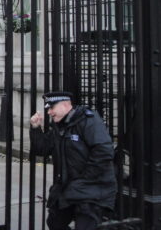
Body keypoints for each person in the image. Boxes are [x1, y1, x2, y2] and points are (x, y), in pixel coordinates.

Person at [29, 92, 116, 230]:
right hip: (70, 189)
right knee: (54, 222)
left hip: (93, 190)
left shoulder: (88, 120)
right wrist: (35, 128)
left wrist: (84, 179)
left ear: (65, 105)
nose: (49, 112)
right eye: (48, 108)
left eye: (52, 107)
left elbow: (104, 151)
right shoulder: (59, 126)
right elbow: (42, 149)